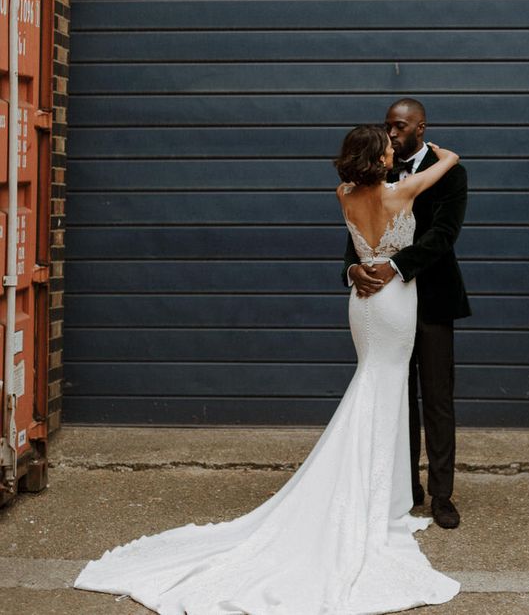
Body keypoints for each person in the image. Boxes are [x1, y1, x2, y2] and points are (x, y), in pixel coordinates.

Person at [74, 125, 461, 615]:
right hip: (392, 301)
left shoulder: (343, 193)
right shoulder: (400, 190)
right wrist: (444, 153)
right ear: (378, 159)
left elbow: (360, 239)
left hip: (360, 303)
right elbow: (447, 163)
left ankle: (382, 498)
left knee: (373, 384)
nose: (392, 152)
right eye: (386, 148)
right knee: (382, 389)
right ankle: (373, 501)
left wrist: (355, 267)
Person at [344, 99, 470, 530]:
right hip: (383, 305)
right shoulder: (374, 172)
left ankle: (441, 495)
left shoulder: (448, 171)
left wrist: (395, 266)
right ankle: (403, 486)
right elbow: (357, 230)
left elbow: (444, 235)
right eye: (387, 127)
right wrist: (354, 268)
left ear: (421, 127)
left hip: (430, 300)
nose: (392, 134)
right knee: (395, 396)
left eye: (399, 127)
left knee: (436, 398)